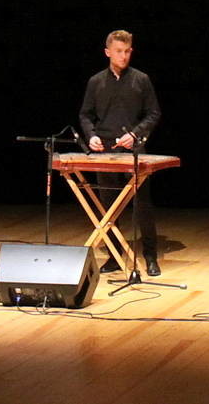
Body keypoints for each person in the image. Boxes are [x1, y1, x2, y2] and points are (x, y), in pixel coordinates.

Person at [79, 29, 162, 276]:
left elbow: (154, 113)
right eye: (118, 51)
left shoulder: (141, 79)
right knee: (109, 205)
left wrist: (135, 134)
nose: (123, 56)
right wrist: (91, 135)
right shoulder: (95, 82)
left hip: (133, 149)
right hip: (105, 150)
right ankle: (115, 255)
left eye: (127, 51)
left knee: (142, 204)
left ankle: (150, 256)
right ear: (108, 52)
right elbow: (85, 115)